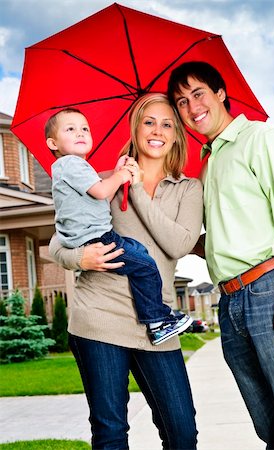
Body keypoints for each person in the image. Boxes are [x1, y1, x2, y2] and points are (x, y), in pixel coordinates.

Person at [49, 93, 203, 449]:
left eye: (167, 124)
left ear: (177, 135)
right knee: (111, 432)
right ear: (136, 128)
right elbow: (59, 240)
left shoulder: (188, 189)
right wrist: (81, 258)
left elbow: (178, 244)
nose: (157, 130)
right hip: (99, 318)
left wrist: (135, 189)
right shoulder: (99, 181)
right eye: (149, 121)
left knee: (182, 433)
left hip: (157, 326)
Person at [167, 61, 274, 449]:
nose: (192, 108)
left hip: (270, 289)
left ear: (221, 92)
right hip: (230, 300)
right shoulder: (207, 166)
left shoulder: (262, 139)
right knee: (267, 421)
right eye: (181, 102)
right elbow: (217, 241)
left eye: (198, 94)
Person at [46, 108, 192, 346]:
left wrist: (119, 176)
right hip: (97, 246)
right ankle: (158, 322)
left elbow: (100, 197)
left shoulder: (79, 170)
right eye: (70, 129)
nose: (80, 133)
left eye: (84, 128)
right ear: (53, 143)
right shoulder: (73, 164)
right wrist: (122, 176)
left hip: (100, 234)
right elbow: (102, 192)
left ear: (175, 136)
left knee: (139, 252)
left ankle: (155, 318)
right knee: (145, 266)